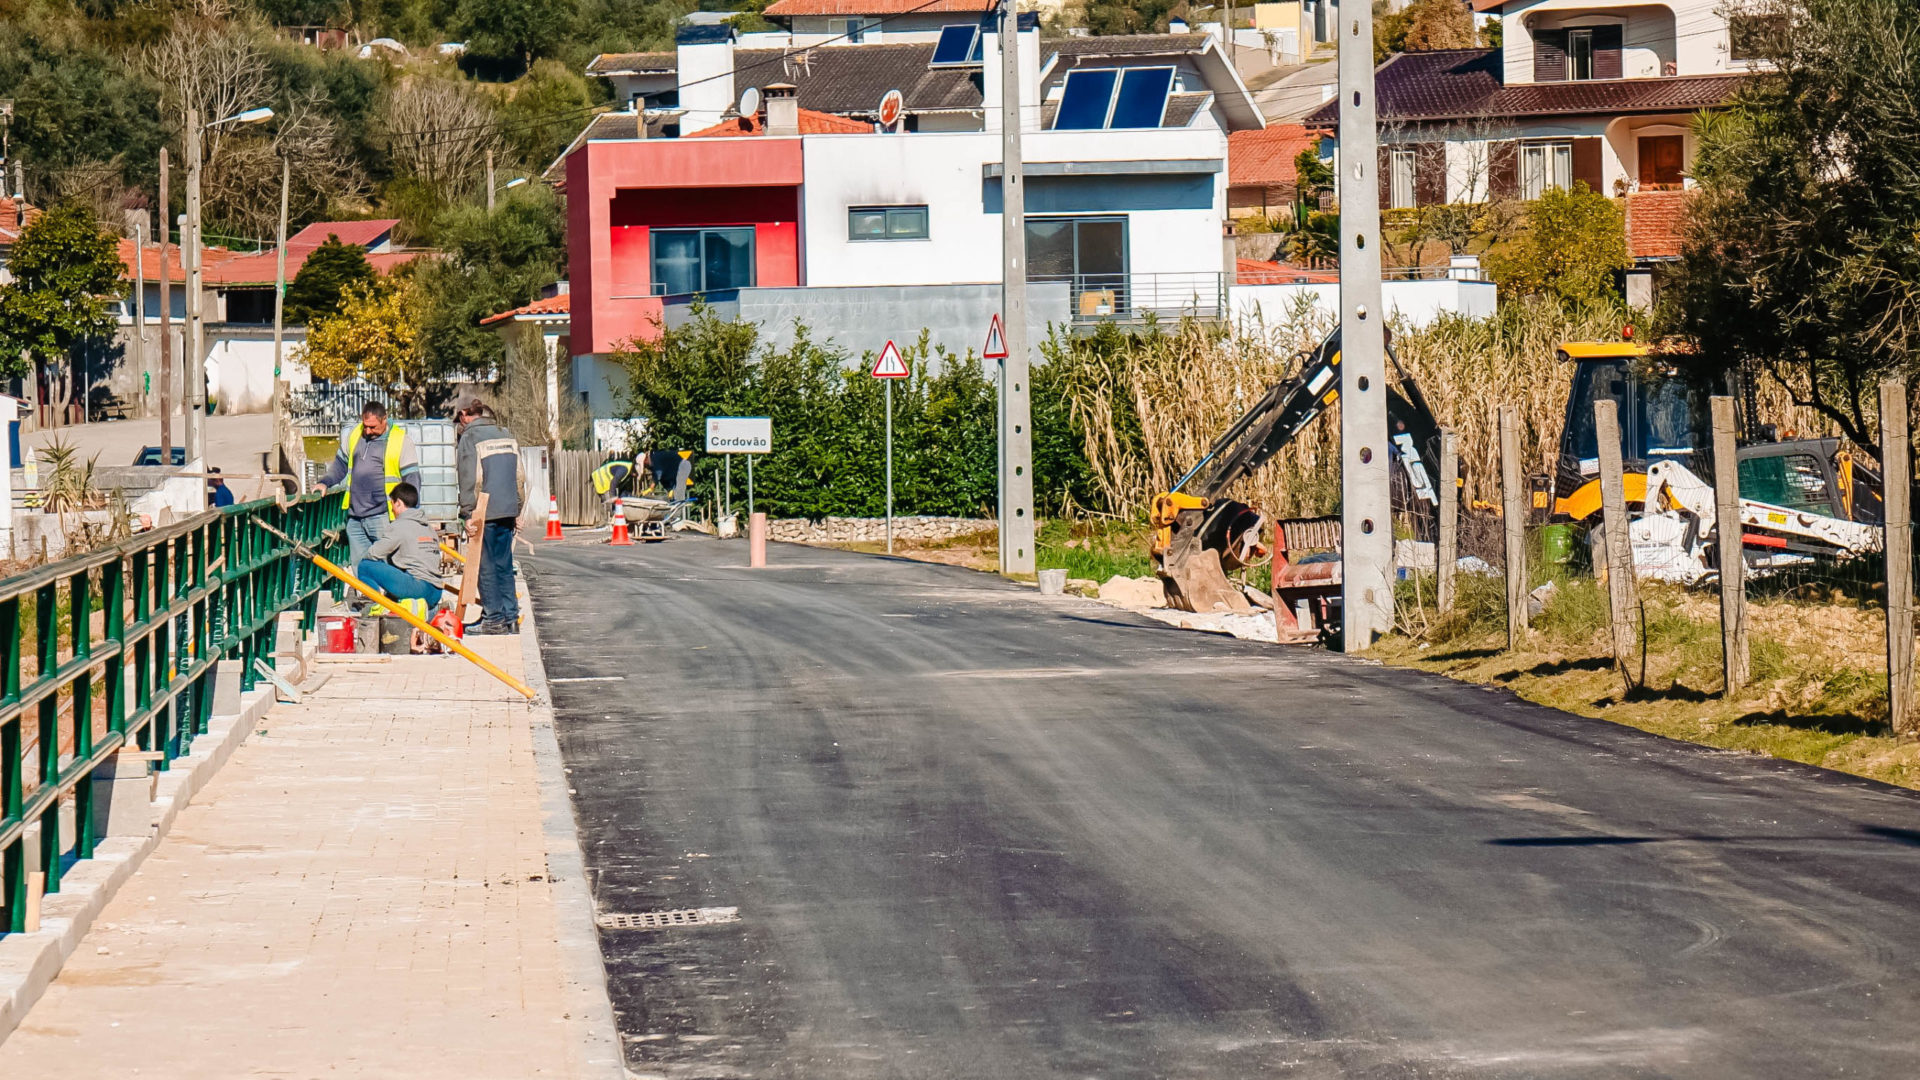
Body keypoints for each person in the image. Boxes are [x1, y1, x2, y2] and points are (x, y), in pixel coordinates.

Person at [313, 400, 420, 570]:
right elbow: (340, 465)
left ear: (384, 419)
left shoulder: (400, 440)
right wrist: (325, 482)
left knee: (390, 568)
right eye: (365, 426)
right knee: (361, 568)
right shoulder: (356, 434)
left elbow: (412, 480)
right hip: (355, 518)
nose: (368, 431)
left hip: (383, 517)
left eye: (373, 427)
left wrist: (410, 515)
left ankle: (391, 596)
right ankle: (366, 596)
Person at [454, 394, 522, 634]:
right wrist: (518, 508)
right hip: (508, 509)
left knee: (485, 565)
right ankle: (511, 618)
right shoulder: (505, 433)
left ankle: (493, 619)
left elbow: (469, 479)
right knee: (504, 564)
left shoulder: (470, 437)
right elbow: (520, 476)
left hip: (484, 509)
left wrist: (467, 514)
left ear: (463, 415)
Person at [354, 482, 446, 608]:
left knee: (365, 566)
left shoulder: (399, 525)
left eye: (392, 504)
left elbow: (373, 554)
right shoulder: (427, 527)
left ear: (398, 503)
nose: (391, 509)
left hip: (418, 588)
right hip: (436, 591)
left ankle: (373, 606)